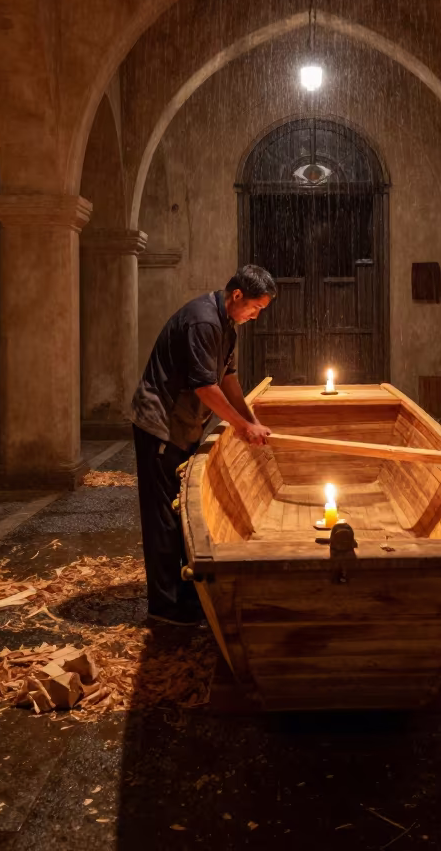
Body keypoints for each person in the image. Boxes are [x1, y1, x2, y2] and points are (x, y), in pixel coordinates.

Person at [130, 265, 277, 625]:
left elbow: (227, 380)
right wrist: (242, 426)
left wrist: (251, 420)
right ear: (237, 295)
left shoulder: (227, 326)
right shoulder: (203, 321)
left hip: (183, 424)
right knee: (163, 515)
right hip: (161, 424)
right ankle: (164, 605)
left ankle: (185, 592)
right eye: (255, 307)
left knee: (178, 511)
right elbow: (204, 387)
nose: (256, 316)